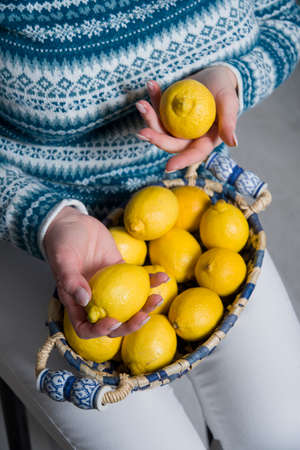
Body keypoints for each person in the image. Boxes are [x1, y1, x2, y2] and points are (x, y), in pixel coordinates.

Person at [0, 0, 300, 448]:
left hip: (195, 218)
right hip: (35, 236)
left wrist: (231, 77)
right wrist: (44, 218)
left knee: (282, 433)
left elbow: (284, 15)